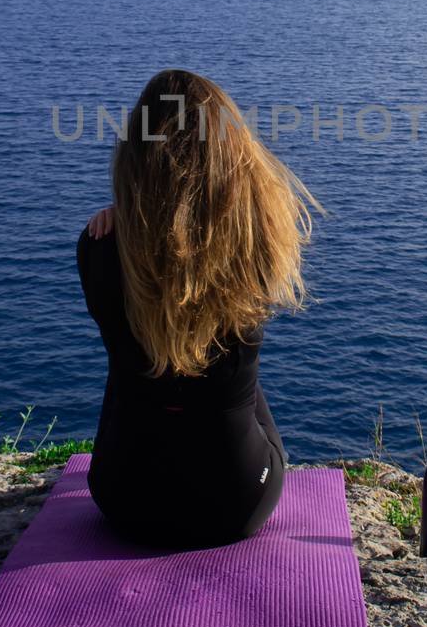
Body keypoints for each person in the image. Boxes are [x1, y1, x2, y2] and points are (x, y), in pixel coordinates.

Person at [76, 69, 321, 549]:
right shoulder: (261, 240)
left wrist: (122, 218)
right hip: (237, 502)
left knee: (133, 360)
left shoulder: (97, 247)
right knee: (239, 382)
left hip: (126, 499)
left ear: (135, 152)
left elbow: (153, 253)